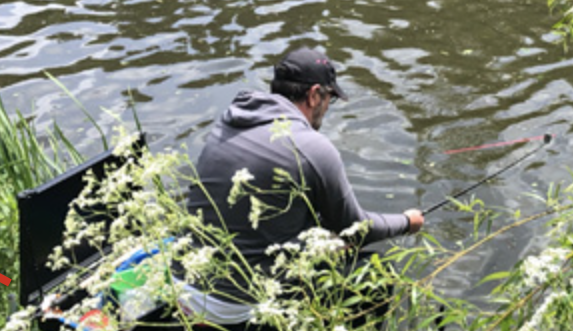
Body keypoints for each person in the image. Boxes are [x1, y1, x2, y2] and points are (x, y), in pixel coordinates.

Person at [181, 47, 423, 309]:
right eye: (330, 98)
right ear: (313, 95)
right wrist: (407, 221)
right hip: (237, 306)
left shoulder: (227, 124)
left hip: (186, 286)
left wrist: (324, 244)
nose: (328, 106)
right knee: (376, 272)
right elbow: (355, 228)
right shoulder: (310, 146)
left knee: (331, 246)